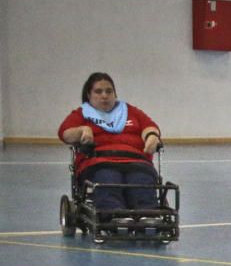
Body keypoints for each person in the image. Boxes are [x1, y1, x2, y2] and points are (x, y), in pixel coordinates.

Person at [58, 72, 162, 219]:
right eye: (98, 91)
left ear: (115, 93)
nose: (104, 95)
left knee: (141, 181)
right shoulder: (82, 114)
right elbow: (64, 133)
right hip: (100, 162)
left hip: (136, 161)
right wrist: (81, 130)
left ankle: (148, 216)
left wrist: (152, 136)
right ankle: (115, 216)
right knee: (108, 180)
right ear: (89, 94)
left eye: (109, 91)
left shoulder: (130, 111)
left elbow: (149, 126)